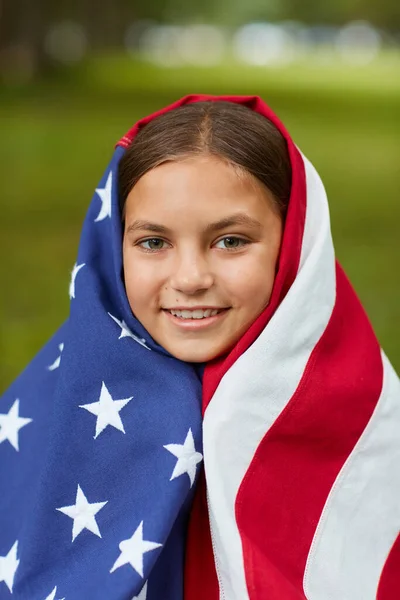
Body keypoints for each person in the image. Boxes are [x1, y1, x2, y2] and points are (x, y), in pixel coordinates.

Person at [0, 94, 399, 600]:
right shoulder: (55, 401)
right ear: (114, 245)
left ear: (295, 242)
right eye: (153, 242)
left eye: (230, 241)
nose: (190, 278)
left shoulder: (362, 411)